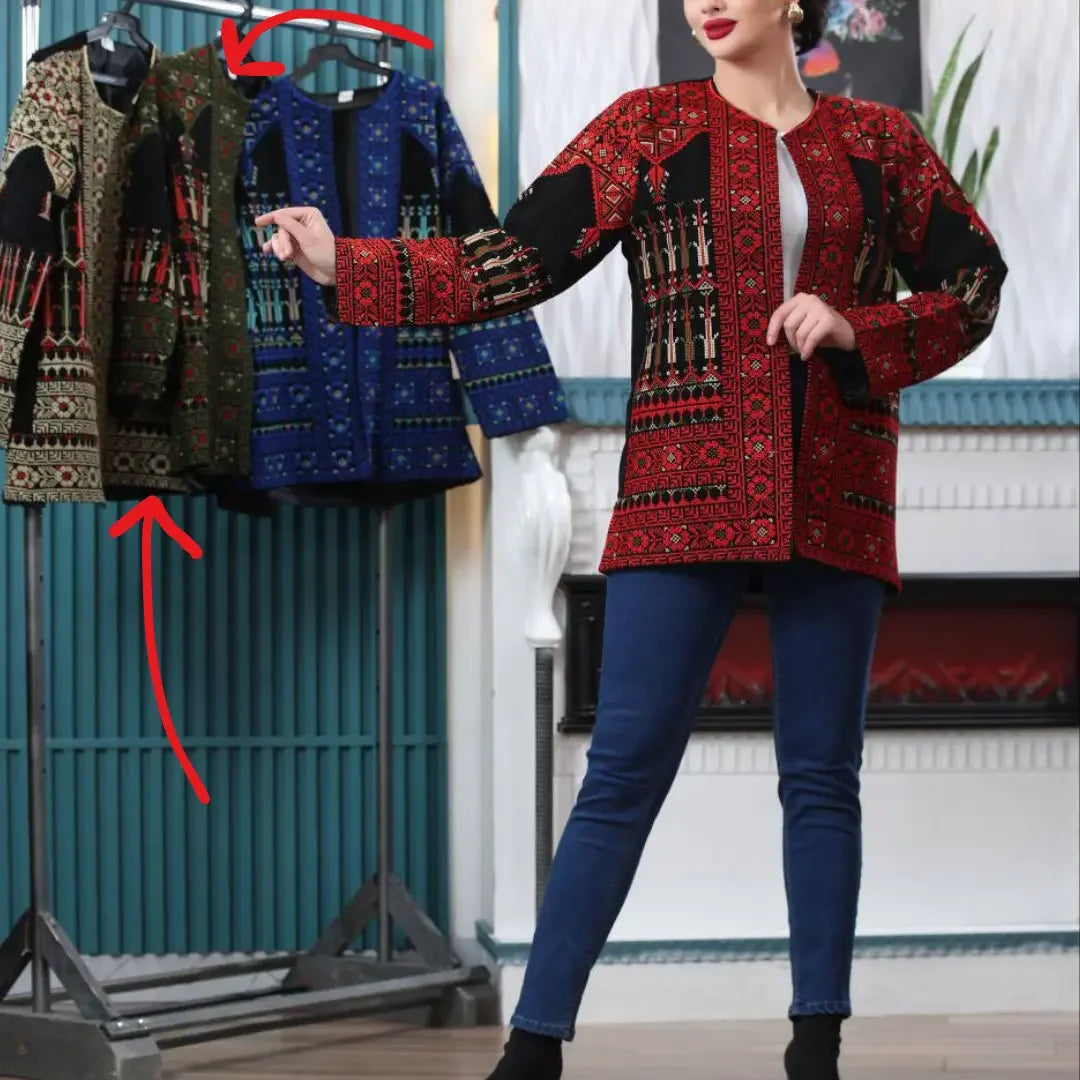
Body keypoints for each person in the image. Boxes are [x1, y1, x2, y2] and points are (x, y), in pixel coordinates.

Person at [257, 1, 1007, 1076]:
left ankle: (815, 1049)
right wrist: (350, 267)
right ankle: (534, 1049)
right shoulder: (646, 129)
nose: (707, 2)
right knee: (621, 773)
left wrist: (860, 326)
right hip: (681, 484)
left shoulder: (880, 142)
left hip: (835, 487)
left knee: (821, 776)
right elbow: (510, 261)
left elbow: (976, 286)